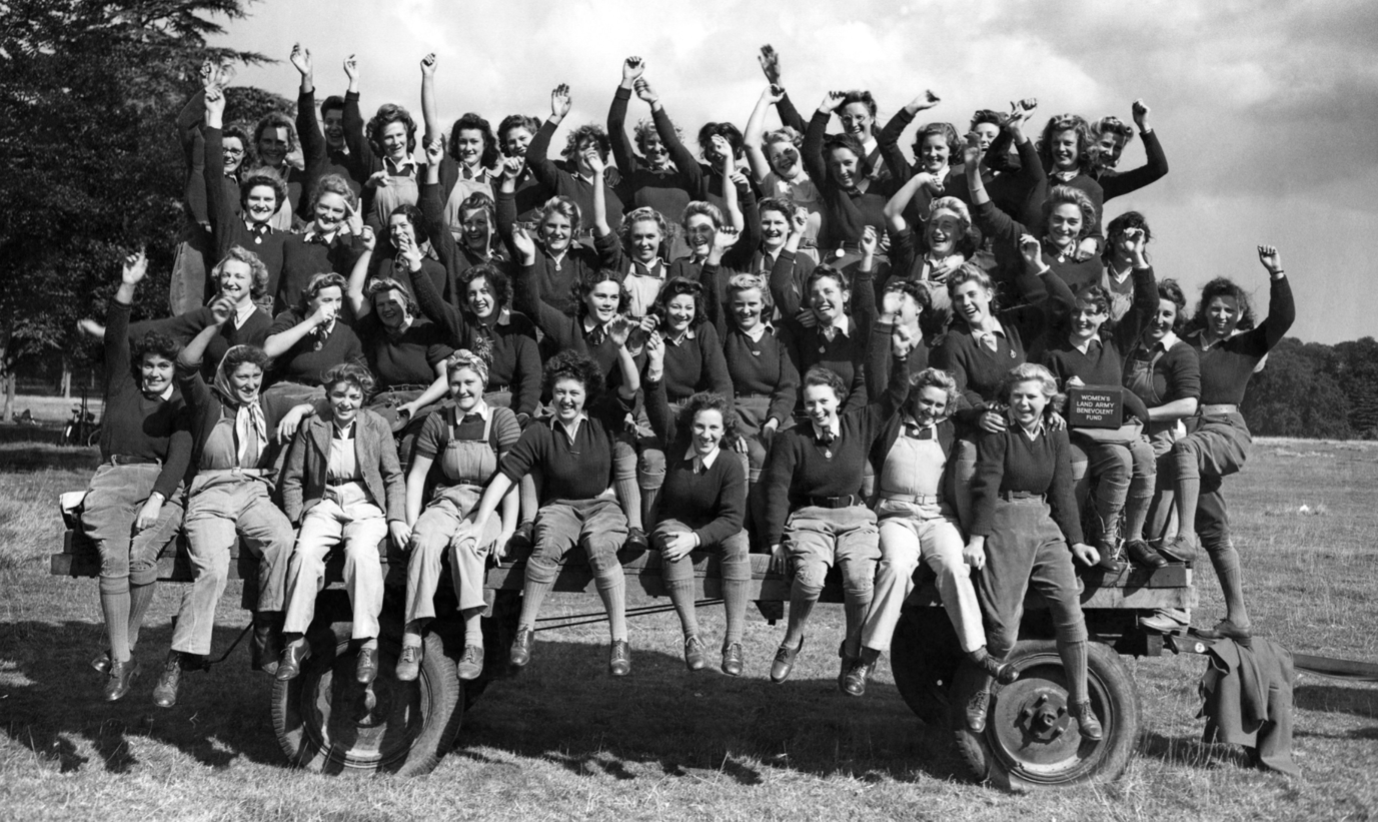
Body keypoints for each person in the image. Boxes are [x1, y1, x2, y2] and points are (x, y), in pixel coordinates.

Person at [464, 347, 642, 676]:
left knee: (603, 552)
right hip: (560, 508)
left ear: (587, 394)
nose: (567, 399)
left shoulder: (603, 417)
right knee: (544, 548)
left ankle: (620, 640)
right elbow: (506, 476)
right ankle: (525, 632)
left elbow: (631, 386)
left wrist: (619, 347)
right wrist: (478, 522)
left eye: (575, 392)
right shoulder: (540, 429)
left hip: (603, 507)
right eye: (560, 391)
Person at [153, 299, 294, 708]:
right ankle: (177, 661)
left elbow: (323, 394)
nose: (250, 383)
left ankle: (265, 636)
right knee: (212, 569)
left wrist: (301, 407)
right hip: (212, 493)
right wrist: (214, 326)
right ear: (227, 377)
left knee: (282, 539)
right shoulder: (206, 403)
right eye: (242, 376)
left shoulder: (265, 406)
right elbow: (184, 365)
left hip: (252, 491)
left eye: (255, 376)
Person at [760, 324, 911, 687]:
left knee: (860, 582)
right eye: (810, 403)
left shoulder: (860, 423)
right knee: (809, 580)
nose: (817, 409)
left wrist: (902, 357)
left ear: (838, 400)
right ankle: (792, 640)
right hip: (810, 518)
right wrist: (774, 540)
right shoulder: (790, 439)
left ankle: (853, 650)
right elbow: (777, 489)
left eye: (824, 401)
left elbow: (896, 394)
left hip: (855, 517)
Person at [852, 362, 1014, 698]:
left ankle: (977, 651)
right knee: (896, 568)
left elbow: (972, 414)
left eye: (939, 405)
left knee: (956, 566)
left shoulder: (950, 426)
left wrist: (984, 412)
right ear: (913, 398)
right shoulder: (892, 421)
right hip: (895, 514)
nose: (931, 410)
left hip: (937, 515)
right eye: (926, 402)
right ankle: (866, 657)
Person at [1158, 246, 1295, 642]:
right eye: (1215, 309)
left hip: (1225, 432)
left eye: (1229, 311)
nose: (1222, 316)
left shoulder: (1247, 345)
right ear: (1206, 310)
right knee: (1215, 529)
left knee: (1185, 453)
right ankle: (1238, 618)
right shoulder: (1183, 344)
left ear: (1237, 315)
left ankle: (1183, 540)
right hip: (1189, 433)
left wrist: (1277, 274)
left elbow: (1284, 317)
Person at [963, 363, 1104, 740]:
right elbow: (987, 482)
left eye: (1031, 397)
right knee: (1003, 628)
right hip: (1005, 519)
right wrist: (977, 538)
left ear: (1047, 400)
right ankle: (980, 691)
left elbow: (1061, 489)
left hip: (1043, 521)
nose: (1023, 403)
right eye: (1016, 396)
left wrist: (1076, 541)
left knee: (1070, 609)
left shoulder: (1055, 431)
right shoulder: (998, 429)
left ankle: (1080, 700)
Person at [83, 251, 192, 701]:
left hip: (159, 488)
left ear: (174, 371)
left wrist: (157, 500)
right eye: (147, 365)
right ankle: (124, 661)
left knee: (140, 557)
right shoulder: (121, 383)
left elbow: (180, 458)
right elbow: (116, 330)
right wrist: (128, 283)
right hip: (111, 479)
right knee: (112, 558)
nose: (153, 372)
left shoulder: (184, 404)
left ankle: (120, 651)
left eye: (162, 367)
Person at [510, 223, 648, 550]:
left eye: (614, 297)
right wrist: (529, 259)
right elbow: (531, 305)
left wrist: (630, 412)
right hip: (565, 410)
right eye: (600, 296)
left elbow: (633, 386)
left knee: (626, 452)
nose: (608, 303)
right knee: (533, 448)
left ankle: (637, 529)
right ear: (586, 297)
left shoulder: (628, 331)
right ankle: (527, 523)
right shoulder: (568, 326)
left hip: (607, 417)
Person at [276, 363, 408, 684]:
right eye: (338, 395)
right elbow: (292, 478)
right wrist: (296, 518)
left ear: (363, 397)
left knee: (362, 555)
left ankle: (367, 642)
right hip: (325, 502)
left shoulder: (376, 425)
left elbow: (393, 477)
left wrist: (397, 519)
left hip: (364, 503)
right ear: (328, 396)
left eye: (353, 396)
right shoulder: (314, 425)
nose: (346, 402)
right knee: (305, 553)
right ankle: (295, 640)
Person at [397, 350, 522, 682]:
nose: (462, 390)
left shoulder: (502, 419)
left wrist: (508, 530)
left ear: (483, 381)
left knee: (466, 545)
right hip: (447, 501)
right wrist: (411, 523)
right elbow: (417, 476)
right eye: (455, 383)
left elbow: (510, 480)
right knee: (424, 541)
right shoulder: (438, 420)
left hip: (487, 504)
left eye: (469, 382)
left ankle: (473, 638)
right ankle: (412, 635)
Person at [1039, 227, 1159, 570]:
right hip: (1076, 435)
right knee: (1119, 461)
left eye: (1091, 312)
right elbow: (1045, 398)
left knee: (1145, 458)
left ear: (1104, 316)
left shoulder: (1114, 344)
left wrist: (1137, 257)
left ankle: (1130, 539)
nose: (1082, 318)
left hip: (1111, 431)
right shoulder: (1056, 353)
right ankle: (1099, 541)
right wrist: (1064, 395)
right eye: (1077, 311)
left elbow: (1147, 304)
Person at [931, 243, 1075, 528]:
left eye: (972, 294)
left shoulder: (1015, 322)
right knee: (968, 462)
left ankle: (1064, 538)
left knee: (1074, 464)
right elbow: (955, 391)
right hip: (986, 424)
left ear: (988, 293)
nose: (966, 303)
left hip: (1029, 417)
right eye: (959, 298)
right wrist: (980, 414)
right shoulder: (956, 340)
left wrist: (1038, 265)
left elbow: (1066, 304)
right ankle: (972, 539)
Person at [642, 334, 750, 674]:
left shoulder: (730, 462)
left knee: (739, 541)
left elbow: (732, 519)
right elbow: (657, 406)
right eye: (700, 427)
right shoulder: (677, 444)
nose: (706, 435)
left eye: (714, 428)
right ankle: (692, 637)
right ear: (690, 427)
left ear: (724, 429)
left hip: (712, 527)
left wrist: (698, 539)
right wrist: (656, 368)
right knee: (675, 546)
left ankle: (733, 642)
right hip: (675, 523)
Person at [699, 240, 800, 546]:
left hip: (776, 414)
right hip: (737, 410)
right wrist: (729, 425)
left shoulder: (779, 337)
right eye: (739, 304)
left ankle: (787, 532)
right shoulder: (726, 334)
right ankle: (754, 537)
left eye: (752, 303)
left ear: (763, 303)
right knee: (754, 455)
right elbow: (709, 300)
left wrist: (775, 420)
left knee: (791, 455)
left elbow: (788, 386)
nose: (746, 310)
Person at [1125, 278, 1202, 627]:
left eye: (1167, 313)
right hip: (1124, 433)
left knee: (1160, 525)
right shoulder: (1131, 346)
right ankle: (1136, 598)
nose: (1159, 319)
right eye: (1154, 311)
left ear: (1177, 317)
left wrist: (1144, 414)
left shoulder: (1180, 352)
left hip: (1162, 440)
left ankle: (1172, 608)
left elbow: (1187, 403)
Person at [344, 234, 453, 461]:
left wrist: (417, 404)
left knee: (410, 449)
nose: (387, 308)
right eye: (381, 304)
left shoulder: (426, 330)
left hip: (424, 403)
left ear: (407, 303)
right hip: (385, 404)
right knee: (371, 449)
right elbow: (353, 292)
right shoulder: (376, 331)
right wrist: (368, 250)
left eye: (393, 302)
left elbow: (446, 378)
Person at [966, 131, 1103, 292]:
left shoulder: (1092, 263)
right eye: (1058, 219)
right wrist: (972, 171)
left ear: (1083, 225)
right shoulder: (1026, 243)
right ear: (1048, 218)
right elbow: (987, 210)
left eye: (1072, 221)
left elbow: (1094, 309)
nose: (1064, 228)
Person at [781, 226, 882, 415]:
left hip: (852, 420)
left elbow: (865, 306)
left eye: (828, 292)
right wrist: (795, 233)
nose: (821, 299)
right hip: (812, 417)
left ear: (845, 296)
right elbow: (779, 286)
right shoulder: (804, 329)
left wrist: (867, 257)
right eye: (815, 294)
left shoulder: (859, 330)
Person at [497, 157, 615, 318]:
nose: (557, 232)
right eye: (551, 225)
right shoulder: (530, 250)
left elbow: (610, 251)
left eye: (565, 227)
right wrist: (509, 180)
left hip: (572, 333)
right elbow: (506, 226)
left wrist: (598, 174)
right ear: (542, 227)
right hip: (533, 332)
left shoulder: (584, 257)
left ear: (574, 231)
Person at [607, 57, 701, 259]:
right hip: (644, 252)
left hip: (681, 256)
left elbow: (674, 145)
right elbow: (615, 128)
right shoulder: (635, 170)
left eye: (662, 143)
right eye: (651, 142)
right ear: (642, 144)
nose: (657, 148)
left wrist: (654, 101)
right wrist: (627, 81)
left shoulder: (687, 173)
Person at [203, 86, 288, 309]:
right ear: (244, 200)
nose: (261, 205)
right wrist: (215, 115)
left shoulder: (286, 240)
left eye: (268, 200)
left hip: (266, 322)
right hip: (226, 312)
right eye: (255, 198)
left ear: (277, 204)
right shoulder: (229, 226)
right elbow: (213, 173)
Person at [802, 92, 896, 267]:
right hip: (840, 264)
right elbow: (810, 152)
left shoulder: (884, 185)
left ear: (861, 161)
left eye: (848, 163)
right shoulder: (833, 190)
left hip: (878, 265)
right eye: (835, 165)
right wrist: (824, 110)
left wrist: (892, 237)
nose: (842, 171)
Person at [524, 83, 625, 241]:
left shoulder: (616, 184)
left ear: (604, 155)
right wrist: (556, 117)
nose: (590, 152)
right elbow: (534, 156)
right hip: (576, 252)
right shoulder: (563, 180)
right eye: (584, 147)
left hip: (612, 252)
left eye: (596, 148)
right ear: (574, 154)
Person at [262, 273, 366, 423]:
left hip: (322, 397)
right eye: (327, 300)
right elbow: (269, 350)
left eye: (338, 300)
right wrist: (313, 321)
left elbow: (361, 374)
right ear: (310, 300)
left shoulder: (346, 333)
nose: (334, 307)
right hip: (285, 392)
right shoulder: (291, 318)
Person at [419, 53, 503, 240]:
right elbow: (431, 124)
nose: (468, 147)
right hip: (446, 251)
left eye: (474, 142)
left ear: (485, 144)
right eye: (463, 141)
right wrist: (428, 77)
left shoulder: (495, 183)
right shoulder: (448, 170)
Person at [744, 86, 823, 256]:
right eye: (776, 157)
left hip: (822, 259)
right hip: (785, 256)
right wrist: (765, 100)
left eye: (788, 152)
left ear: (799, 150)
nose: (783, 159)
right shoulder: (773, 183)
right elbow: (750, 144)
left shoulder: (820, 183)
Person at [276, 174, 368, 314]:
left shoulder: (345, 247)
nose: (329, 215)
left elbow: (355, 281)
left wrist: (357, 234)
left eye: (337, 210)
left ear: (345, 215)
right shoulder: (291, 242)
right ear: (314, 205)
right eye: (324, 207)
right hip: (288, 323)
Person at [289, 43, 364, 212]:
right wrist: (307, 78)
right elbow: (307, 122)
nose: (335, 128)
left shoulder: (361, 160)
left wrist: (354, 81)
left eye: (341, 122)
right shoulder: (318, 153)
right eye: (330, 121)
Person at [1024, 114, 1105, 262]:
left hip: (1064, 266)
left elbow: (1096, 235)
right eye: (1056, 143)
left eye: (1068, 143)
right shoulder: (1036, 176)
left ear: (1082, 147)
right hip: (1026, 260)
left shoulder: (1092, 188)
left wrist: (1092, 242)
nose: (1061, 149)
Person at [1091, 100, 1168, 202]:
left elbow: (1158, 168)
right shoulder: (1069, 165)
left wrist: (1143, 124)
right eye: (1106, 144)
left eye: (1117, 148)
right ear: (1091, 142)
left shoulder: (1109, 181)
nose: (1110, 153)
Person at [1100, 211, 1155, 323]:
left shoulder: (1144, 283)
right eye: (1129, 239)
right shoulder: (1094, 270)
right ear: (1113, 238)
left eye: (1139, 242)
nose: (1132, 247)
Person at [496, 113, 548, 221]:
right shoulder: (503, 178)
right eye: (512, 142)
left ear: (536, 138)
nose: (518, 145)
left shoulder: (552, 170)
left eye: (522, 138)